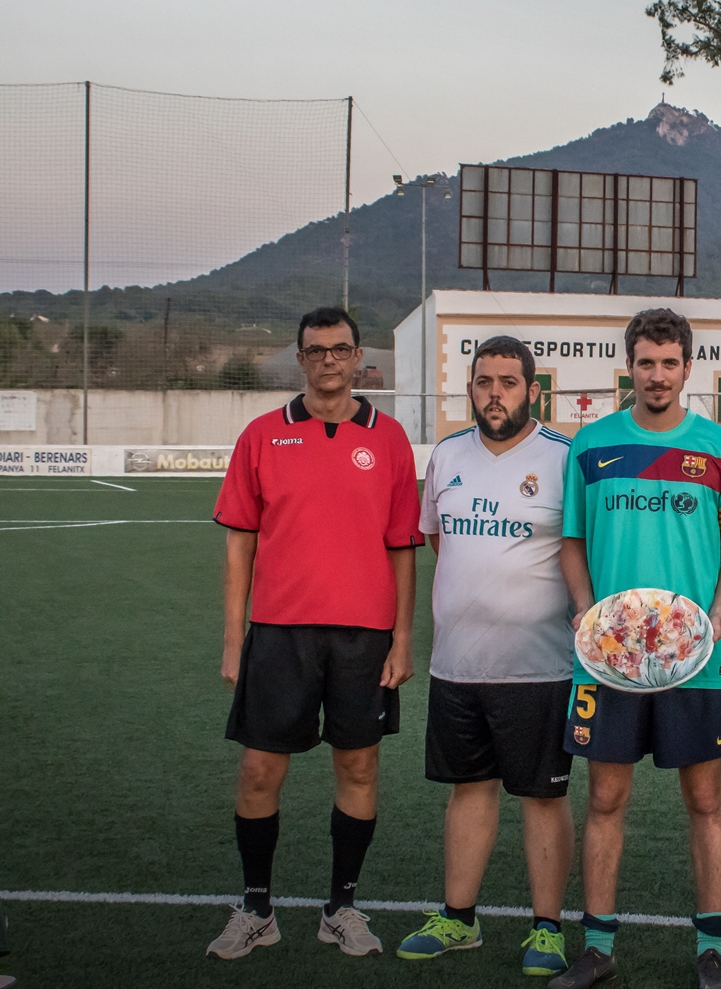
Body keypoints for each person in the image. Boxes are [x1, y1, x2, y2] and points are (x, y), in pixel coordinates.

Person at [208, 306, 422, 960]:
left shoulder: (390, 439)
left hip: (364, 636)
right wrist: (233, 639)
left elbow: (402, 547)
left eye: (340, 349)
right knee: (258, 771)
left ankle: (341, 908)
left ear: (358, 357)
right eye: (317, 350)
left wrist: (403, 637)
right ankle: (256, 909)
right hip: (279, 633)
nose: (329, 359)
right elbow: (240, 544)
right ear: (300, 359)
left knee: (358, 766)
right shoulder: (262, 435)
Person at [552, 308, 721, 989]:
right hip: (608, 659)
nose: (658, 375)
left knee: (706, 801)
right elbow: (572, 541)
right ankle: (597, 947)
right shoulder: (591, 446)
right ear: (629, 367)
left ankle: (712, 950)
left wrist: (715, 619)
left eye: (670, 363)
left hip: (697, 660)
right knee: (606, 798)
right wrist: (586, 614)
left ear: (688, 367)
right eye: (646, 362)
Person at [396, 336, 576, 975]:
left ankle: (547, 929)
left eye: (507, 382)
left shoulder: (563, 458)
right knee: (469, 790)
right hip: (457, 665)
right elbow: (440, 543)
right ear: (470, 388)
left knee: (542, 797)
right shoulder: (447, 455)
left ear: (533, 390)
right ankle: (459, 918)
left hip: (540, 667)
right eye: (483, 382)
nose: (494, 394)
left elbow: (580, 549)